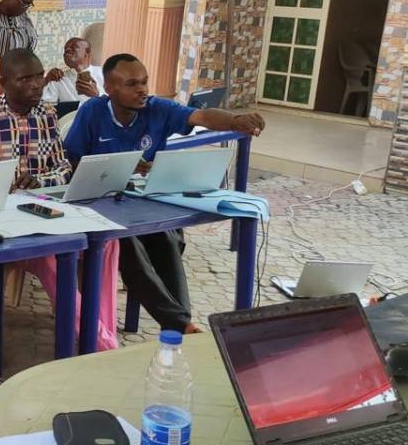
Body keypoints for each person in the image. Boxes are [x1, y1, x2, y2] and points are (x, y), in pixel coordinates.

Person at [63, 53, 266, 335]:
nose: (142, 90)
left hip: (143, 201)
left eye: (144, 82)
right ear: (109, 88)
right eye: (132, 84)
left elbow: (201, 116)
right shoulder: (92, 112)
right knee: (127, 243)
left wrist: (235, 121)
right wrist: (117, 167)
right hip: (98, 204)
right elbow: (70, 162)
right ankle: (180, 324)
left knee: (168, 239)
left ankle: (182, 322)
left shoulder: (156, 108)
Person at [0, 49, 121, 349]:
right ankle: (99, 341)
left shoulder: (47, 114)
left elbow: (63, 168)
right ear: (4, 83)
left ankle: (102, 326)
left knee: (107, 241)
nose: (36, 84)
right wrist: (4, 185)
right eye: (25, 78)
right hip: (0, 219)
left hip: (43, 208)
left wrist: (40, 181)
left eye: (39, 76)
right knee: (53, 252)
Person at [42, 37, 105, 103]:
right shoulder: (58, 78)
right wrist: (46, 81)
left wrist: (97, 95)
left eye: (74, 47)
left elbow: (114, 103)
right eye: (65, 50)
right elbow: (46, 103)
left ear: (87, 52)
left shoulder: (104, 73)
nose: (67, 50)